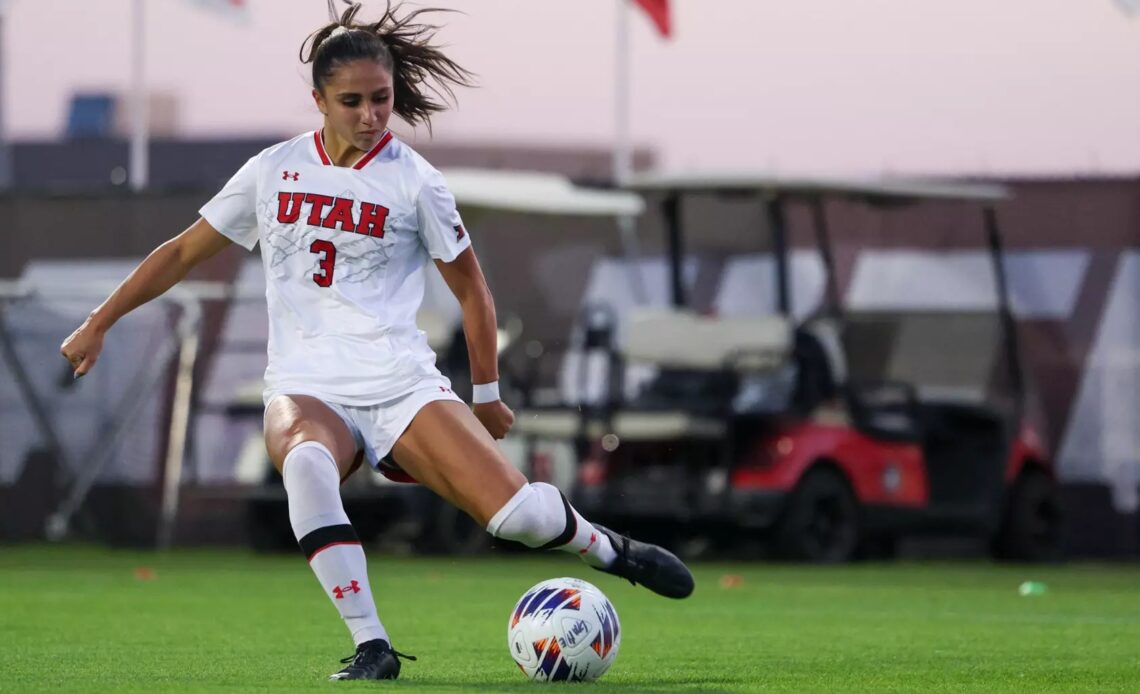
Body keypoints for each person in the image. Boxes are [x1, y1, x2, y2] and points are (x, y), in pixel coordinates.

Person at [59, 2, 693, 682]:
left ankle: (607, 549)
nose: (369, 115)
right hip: (307, 384)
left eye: (381, 99)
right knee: (304, 465)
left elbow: (474, 292)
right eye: (352, 101)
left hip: (399, 382)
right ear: (319, 101)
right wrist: (101, 319)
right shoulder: (273, 169)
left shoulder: (416, 182)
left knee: (516, 519)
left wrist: (486, 394)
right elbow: (183, 253)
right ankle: (373, 645)